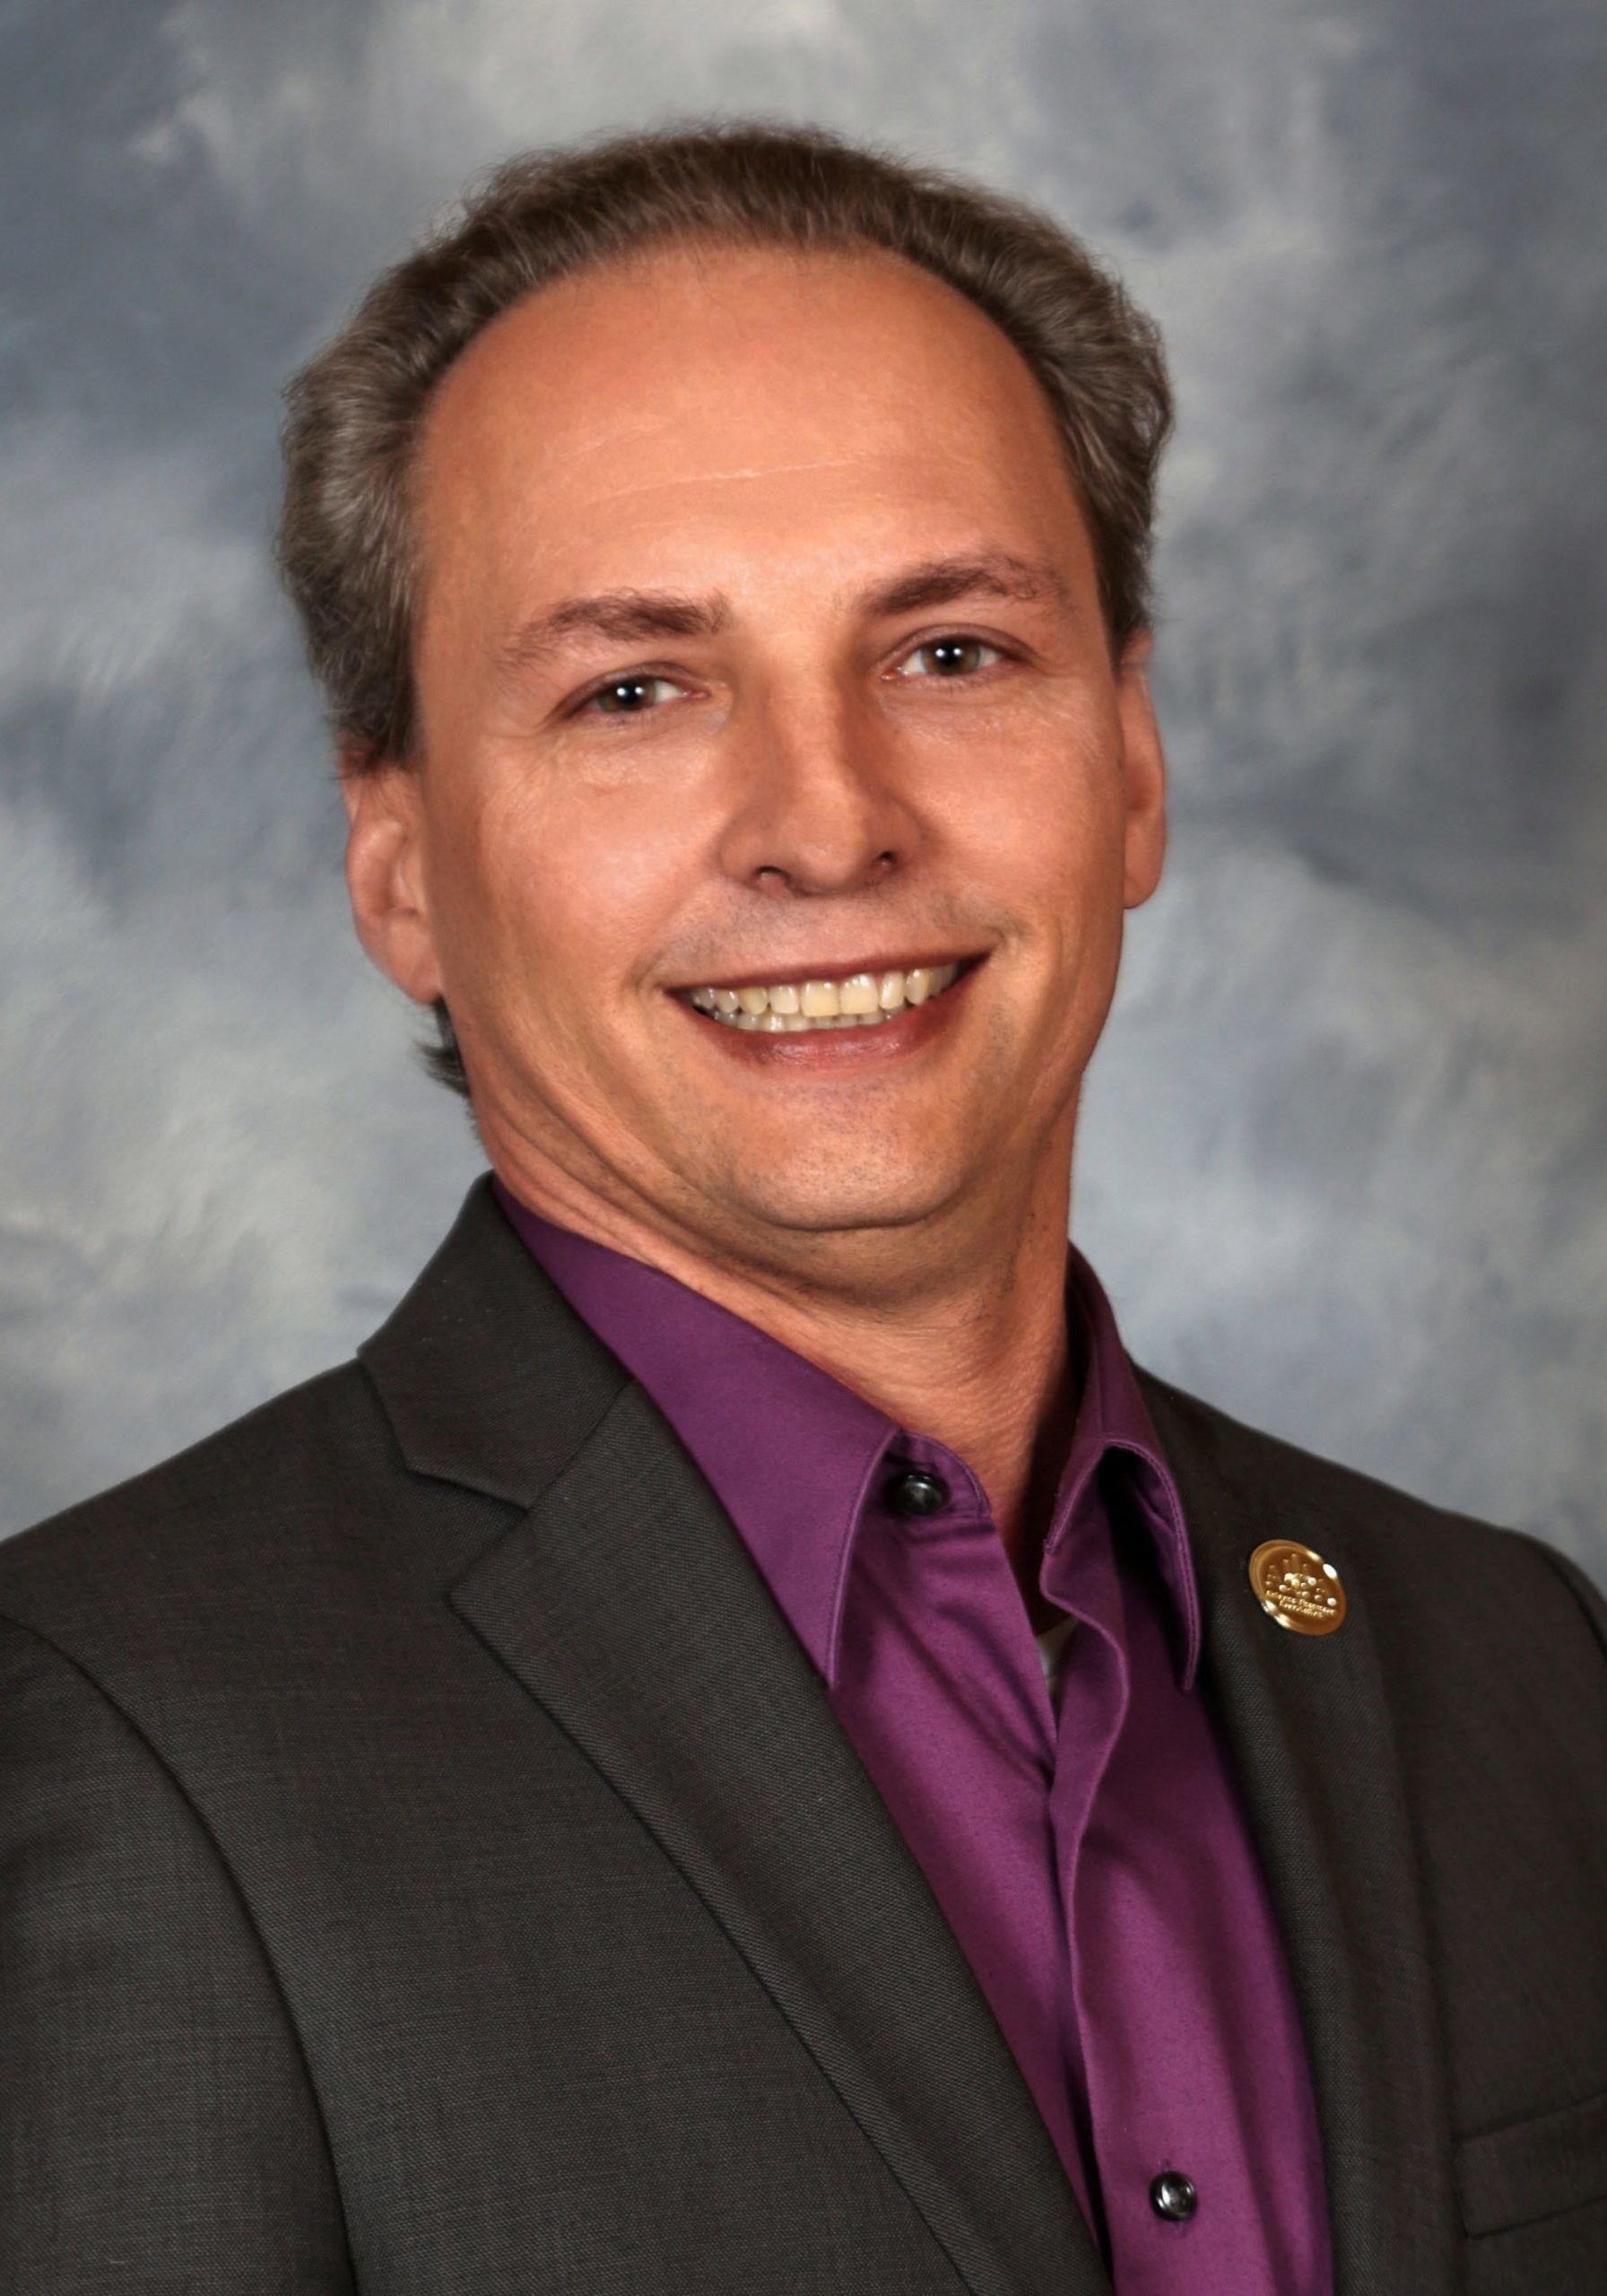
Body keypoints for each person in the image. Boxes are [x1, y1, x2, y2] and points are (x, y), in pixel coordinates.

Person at [2, 122, 1603, 2296]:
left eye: (947, 651)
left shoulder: (1510, 1658)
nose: (824, 823)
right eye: (632, 691)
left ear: (1126, 759)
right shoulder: (101, 1738)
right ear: (399, 867)